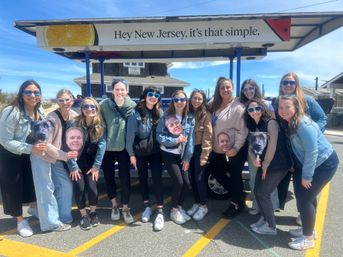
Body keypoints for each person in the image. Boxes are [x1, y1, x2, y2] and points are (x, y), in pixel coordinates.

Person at [277, 95, 338, 250]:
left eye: (287, 107)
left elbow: (312, 152)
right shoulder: (290, 122)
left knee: (305, 199)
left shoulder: (303, 124)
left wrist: (307, 176)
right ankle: (308, 229)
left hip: (324, 164)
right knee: (306, 197)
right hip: (313, 163)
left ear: (296, 107)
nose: (283, 111)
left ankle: (308, 238)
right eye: (281, 107)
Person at [275, 72, 327, 224]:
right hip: (289, 150)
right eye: (285, 82)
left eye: (292, 83)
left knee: (308, 186)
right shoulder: (279, 101)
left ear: (297, 85)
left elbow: (322, 118)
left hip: (306, 150)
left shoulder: (307, 100)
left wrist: (313, 134)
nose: (288, 85)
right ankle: (304, 213)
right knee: (298, 186)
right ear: (281, 85)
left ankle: (308, 216)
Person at [0, 80, 42, 237]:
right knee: (14, 187)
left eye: (36, 92)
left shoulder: (39, 110)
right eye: (28, 92)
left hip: (28, 153)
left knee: (31, 183)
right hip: (10, 155)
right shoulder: (12, 111)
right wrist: (31, 148)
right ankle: (19, 220)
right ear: (21, 94)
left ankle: (33, 207)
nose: (33, 95)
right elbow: (4, 140)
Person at [244, 99, 290, 235]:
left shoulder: (271, 123)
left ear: (262, 108)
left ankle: (271, 227)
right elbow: (250, 148)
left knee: (263, 193)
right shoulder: (253, 126)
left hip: (277, 165)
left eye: (257, 108)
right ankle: (264, 219)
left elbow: (272, 145)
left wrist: (265, 165)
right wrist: (254, 160)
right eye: (250, 110)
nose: (254, 112)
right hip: (265, 164)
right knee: (257, 191)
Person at [208, 77, 248, 218]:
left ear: (232, 88)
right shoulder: (214, 104)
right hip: (217, 148)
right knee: (216, 171)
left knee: (235, 177)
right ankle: (239, 195)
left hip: (233, 149)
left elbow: (242, 131)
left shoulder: (238, 107)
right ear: (218, 90)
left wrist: (235, 148)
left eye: (228, 87)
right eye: (222, 87)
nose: (225, 90)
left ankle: (236, 204)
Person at [126, 87, 164, 231]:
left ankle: (160, 211)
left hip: (155, 151)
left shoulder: (160, 113)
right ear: (145, 96)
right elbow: (130, 136)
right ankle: (147, 206)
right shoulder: (135, 114)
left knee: (157, 178)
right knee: (142, 178)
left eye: (156, 95)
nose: (153, 97)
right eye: (150, 94)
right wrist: (131, 155)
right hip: (140, 152)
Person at [239, 79, 279, 215]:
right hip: (252, 149)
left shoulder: (267, 104)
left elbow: (273, 127)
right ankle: (256, 204)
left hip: (268, 150)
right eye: (245, 89)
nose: (249, 91)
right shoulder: (243, 105)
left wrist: (267, 157)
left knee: (267, 180)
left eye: (251, 88)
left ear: (256, 89)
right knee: (253, 177)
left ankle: (271, 208)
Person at [100, 78, 136, 224]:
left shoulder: (132, 106)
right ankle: (114, 205)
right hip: (107, 147)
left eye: (122, 89)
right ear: (112, 90)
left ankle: (125, 207)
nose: (120, 92)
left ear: (127, 90)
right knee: (108, 176)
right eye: (117, 89)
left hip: (124, 147)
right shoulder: (103, 105)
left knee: (125, 177)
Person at [67, 97, 106, 230]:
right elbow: (68, 145)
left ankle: (93, 212)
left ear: (96, 108)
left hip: (91, 164)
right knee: (79, 188)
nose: (89, 109)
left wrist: (96, 167)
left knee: (92, 189)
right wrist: (72, 166)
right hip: (76, 163)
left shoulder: (100, 125)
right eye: (86, 107)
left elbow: (102, 146)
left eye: (92, 107)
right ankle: (84, 215)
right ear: (82, 109)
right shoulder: (74, 124)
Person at [156, 90, 195, 225]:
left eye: (182, 100)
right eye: (176, 100)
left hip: (182, 155)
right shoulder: (166, 116)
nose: (179, 102)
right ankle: (173, 211)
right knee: (179, 182)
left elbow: (190, 140)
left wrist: (187, 158)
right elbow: (159, 136)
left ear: (186, 101)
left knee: (187, 183)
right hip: (168, 153)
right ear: (173, 102)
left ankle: (179, 207)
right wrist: (175, 140)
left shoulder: (190, 117)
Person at [47, 89, 78, 225]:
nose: (65, 103)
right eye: (61, 100)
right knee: (65, 186)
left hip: (71, 158)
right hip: (56, 158)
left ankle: (39, 212)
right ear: (57, 102)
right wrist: (64, 155)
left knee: (61, 188)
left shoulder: (75, 116)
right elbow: (46, 144)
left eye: (67, 99)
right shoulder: (51, 118)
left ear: (72, 100)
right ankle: (64, 218)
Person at [187, 89, 212, 221]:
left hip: (200, 149)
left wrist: (205, 154)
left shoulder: (205, 114)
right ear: (191, 99)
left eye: (199, 99)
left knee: (199, 178)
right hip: (189, 150)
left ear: (203, 101)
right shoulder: (188, 112)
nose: (196, 101)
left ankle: (204, 205)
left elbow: (208, 135)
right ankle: (197, 202)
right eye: (194, 98)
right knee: (192, 178)